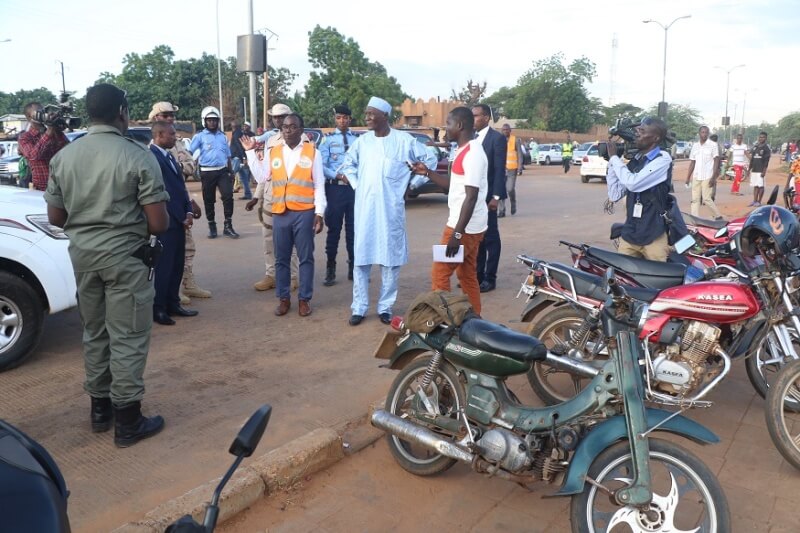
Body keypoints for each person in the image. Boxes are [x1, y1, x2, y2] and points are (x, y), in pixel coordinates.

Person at [44, 83, 169, 447]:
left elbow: (55, 216)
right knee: (128, 336)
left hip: (83, 258)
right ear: (123, 113)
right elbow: (159, 223)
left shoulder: (65, 156)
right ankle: (128, 421)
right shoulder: (137, 155)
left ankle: (100, 411)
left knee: (94, 333)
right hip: (125, 259)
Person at [339, 96, 436, 326]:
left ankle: (385, 306)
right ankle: (359, 307)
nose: (367, 117)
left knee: (390, 260)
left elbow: (430, 159)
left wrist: (413, 185)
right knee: (361, 260)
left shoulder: (404, 141)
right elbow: (347, 164)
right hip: (364, 209)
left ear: (385, 116)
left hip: (390, 210)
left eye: (372, 113)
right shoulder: (362, 142)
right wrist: (356, 183)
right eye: (366, 113)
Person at [243, 114, 325, 317]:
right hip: (281, 212)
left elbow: (319, 184)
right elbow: (262, 176)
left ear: (301, 130)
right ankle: (284, 298)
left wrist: (319, 212)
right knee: (281, 258)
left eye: (293, 127)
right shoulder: (274, 152)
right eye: (285, 127)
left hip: (304, 212)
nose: (288, 131)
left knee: (305, 258)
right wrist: (251, 153)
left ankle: (304, 299)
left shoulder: (312, 152)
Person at [412, 107, 488, 314]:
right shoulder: (462, 151)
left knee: (439, 274)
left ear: (460, 126)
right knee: (467, 275)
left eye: (448, 124)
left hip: (463, 227)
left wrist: (456, 234)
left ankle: (445, 321)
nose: (446, 128)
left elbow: (471, 197)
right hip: (469, 226)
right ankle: (475, 319)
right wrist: (426, 172)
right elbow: (452, 186)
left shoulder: (472, 154)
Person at [147, 101, 212, 305]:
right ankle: (169, 293)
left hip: (181, 201)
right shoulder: (153, 150)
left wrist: (188, 204)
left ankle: (186, 284)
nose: (170, 119)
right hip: (165, 207)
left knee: (186, 248)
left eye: (172, 116)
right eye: (166, 116)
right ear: (156, 119)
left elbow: (191, 166)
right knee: (166, 253)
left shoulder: (177, 143)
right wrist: (180, 166)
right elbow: (171, 175)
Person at [246, 103, 301, 292]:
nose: (278, 120)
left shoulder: (301, 141)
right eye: (275, 117)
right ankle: (271, 274)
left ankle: (293, 276)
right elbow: (265, 173)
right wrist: (256, 196)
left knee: (290, 238)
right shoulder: (270, 141)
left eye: (282, 116)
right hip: (271, 196)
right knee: (268, 237)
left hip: (291, 196)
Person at [149, 121, 199, 325]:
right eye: (171, 134)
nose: (175, 137)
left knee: (177, 265)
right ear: (159, 135)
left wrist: (187, 210)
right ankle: (159, 308)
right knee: (164, 267)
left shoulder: (168, 156)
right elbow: (160, 193)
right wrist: (180, 216)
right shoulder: (151, 157)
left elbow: (180, 188)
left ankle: (173, 303)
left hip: (179, 220)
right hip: (166, 221)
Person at [606, 117, 673, 261]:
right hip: (631, 233)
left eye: (642, 131)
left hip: (653, 235)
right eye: (637, 130)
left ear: (655, 138)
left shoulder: (663, 159)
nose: (637, 134)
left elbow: (633, 183)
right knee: (622, 277)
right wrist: (612, 162)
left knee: (658, 279)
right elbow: (614, 194)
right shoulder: (637, 159)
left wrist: (614, 159)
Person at [319, 104, 357, 286]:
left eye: (345, 118)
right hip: (334, 190)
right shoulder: (327, 140)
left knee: (353, 230)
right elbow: (322, 165)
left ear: (350, 119)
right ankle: (330, 268)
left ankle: (353, 267)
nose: (342, 121)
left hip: (352, 190)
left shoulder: (357, 140)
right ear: (335, 120)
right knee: (333, 230)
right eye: (339, 118)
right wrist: (338, 175)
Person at [471, 104, 507, 293]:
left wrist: (495, 197)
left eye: (475, 116)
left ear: (486, 117)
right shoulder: (470, 138)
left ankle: (490, 278)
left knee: (491, 238)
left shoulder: (497, 139)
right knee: (477, 238)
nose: (472, 119)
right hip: (472, 198)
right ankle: (476, 276)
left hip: (488, 198)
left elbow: (500, 170)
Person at [189, 106, 238, 239]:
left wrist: (231, 171)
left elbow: (227, 155)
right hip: (207, 172)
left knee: (228, 197)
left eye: (215, 120)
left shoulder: (222, 136)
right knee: (209, 200)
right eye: (209, 120)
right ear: (204, 121)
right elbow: (190, 152)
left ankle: (228, 226)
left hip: (222, 171)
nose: (212, 123)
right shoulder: (199, 136)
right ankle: (212, 225)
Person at [18, 101, 68, 191]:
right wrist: (49, 131)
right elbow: (34, 156)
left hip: (62, 185)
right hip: (42, 188)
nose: (43, 114)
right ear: (29, 117)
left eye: (43, 111)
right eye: (39, 112)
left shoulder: (53, 132)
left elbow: (68, 150)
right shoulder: (25, 138)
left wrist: (58, 131)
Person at [685, 126, 722, 220]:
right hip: (696, 176)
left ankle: (717, 216)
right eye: (702, 132)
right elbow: (692, 162)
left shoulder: (713, 145)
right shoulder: (695, 146)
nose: (704, 134)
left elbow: (716, 161)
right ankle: (695, 218)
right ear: (699, 133)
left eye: (706, 132)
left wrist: (713, 177)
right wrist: (688, 177)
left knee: (706, 198)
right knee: (695, 199)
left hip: (708, 176)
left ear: (708, 134)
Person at [498, 123, 523, 218]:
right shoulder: (499, 140)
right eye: (503, 130)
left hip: (512, 169)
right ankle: (502, 210)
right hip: (501, 169)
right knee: (500, 190)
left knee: (510, 189)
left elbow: (520, 154)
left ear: (510, 130)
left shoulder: (515, 140)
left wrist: (520, 167)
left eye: (507, 130)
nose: (505, 131)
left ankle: (513, 202)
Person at [230, 121, 254, 200]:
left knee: (231, 175)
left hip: (237, 158)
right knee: (243, 177)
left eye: (233, 124)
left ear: (235, 126)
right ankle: (248, 194)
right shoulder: (238, 132)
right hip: (239, 158)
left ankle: (228, 194)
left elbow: (239, 146)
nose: (231, 125)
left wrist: (243, 157)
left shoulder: (237, 133)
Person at [749, 131, 772, 207]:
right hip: (754, 169)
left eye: (763, 137)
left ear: (765, 138)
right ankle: (754, 200)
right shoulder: (755, 146)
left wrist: (764, 171)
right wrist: (749, 169)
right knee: (755, 186)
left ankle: (759, 201)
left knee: (761, 186)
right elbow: (752, 158)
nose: (761, 138)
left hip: (761, 170)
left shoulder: (766, 148)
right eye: (760, 137)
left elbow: (766, 160)